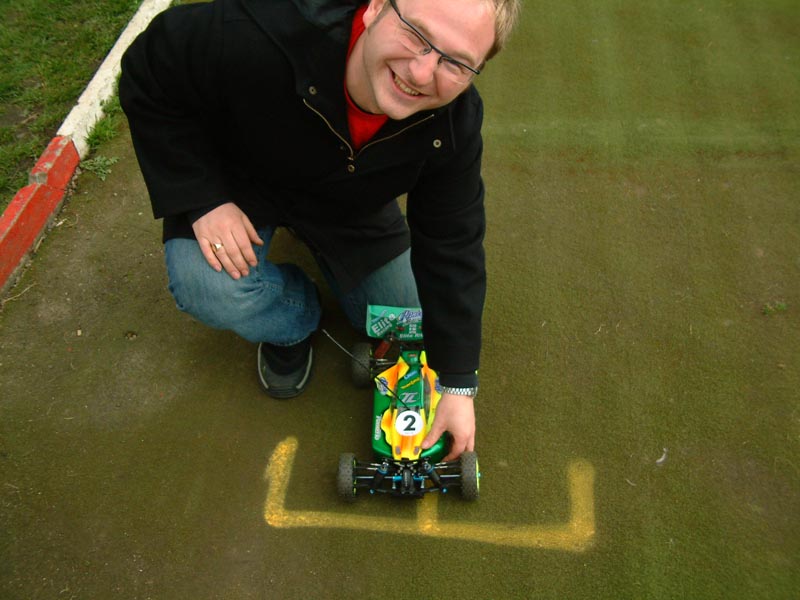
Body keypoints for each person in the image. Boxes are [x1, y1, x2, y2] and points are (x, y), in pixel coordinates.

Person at [119, 0, 520, 461]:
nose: (422, 71)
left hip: (351, 206)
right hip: (242, 183)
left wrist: (457, 382)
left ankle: (331, 259)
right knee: (208, 287)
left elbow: (452, 239)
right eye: (416, 34)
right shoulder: (255, 32)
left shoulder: (455, 121)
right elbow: (147, 71)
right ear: (374, 10)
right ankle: (294, 322)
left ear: (476, 70)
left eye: (455, 62)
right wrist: (200, 197)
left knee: (413, 315)